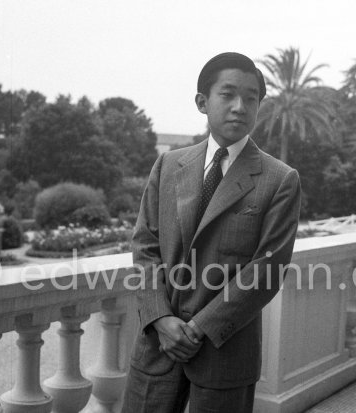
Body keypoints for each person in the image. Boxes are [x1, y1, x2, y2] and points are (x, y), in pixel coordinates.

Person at [121, 52, 301, 413]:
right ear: (203, 102)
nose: (240, 106)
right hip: (159, 345)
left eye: (251, 98)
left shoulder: (279, 179)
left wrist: (199, 327)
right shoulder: (169, 165)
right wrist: (161, 318)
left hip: (225, 349)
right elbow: (145, 245)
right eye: (228, 94)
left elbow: (265, 271)